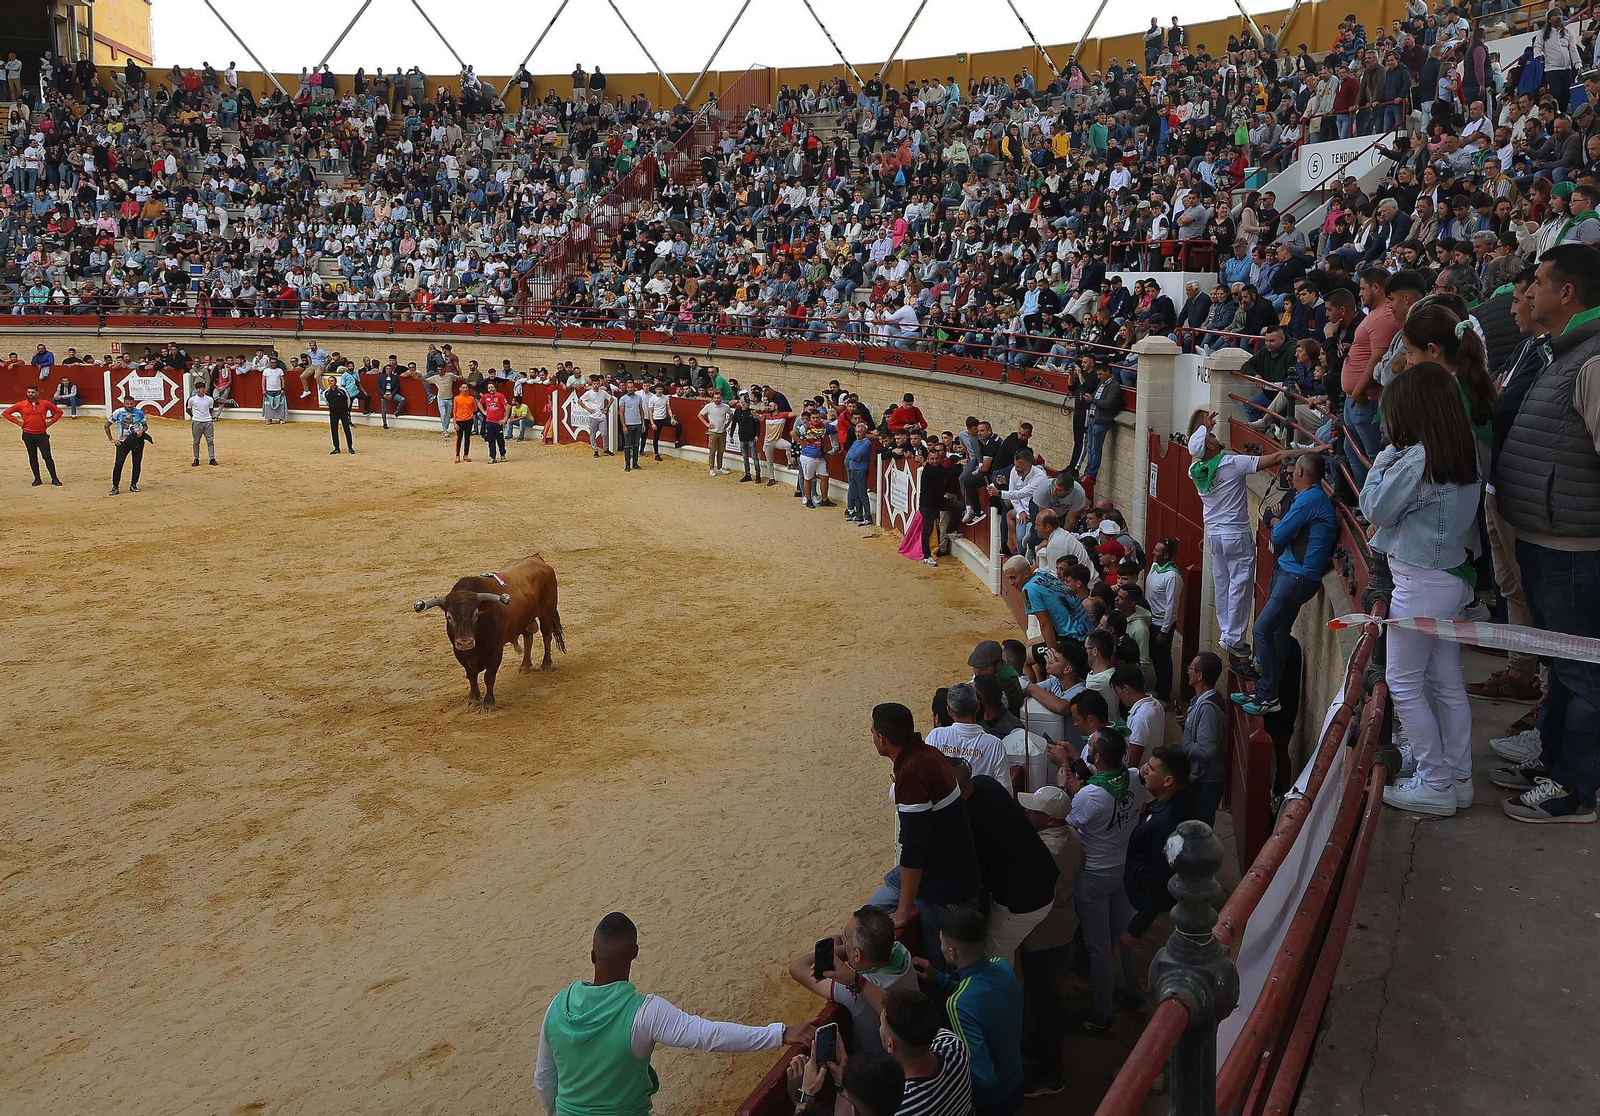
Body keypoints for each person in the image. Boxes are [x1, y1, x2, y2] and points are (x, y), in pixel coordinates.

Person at [1491, 245, 1600, 823]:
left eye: (1536, 282)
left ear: (1567, 293)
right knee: (1564, 663)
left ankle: (1577, 788)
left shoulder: (1592, 360)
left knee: (1581, 669)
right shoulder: (1567, 352)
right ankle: (1555, 762)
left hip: (1577, 549)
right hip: (1552, 539)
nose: (1527, 292)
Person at [534, 912, 814, 1115]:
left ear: (592, 956)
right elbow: (707, 1035)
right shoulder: (644, 1013)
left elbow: (544, 1078)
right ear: (635, 952)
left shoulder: (558, 1006)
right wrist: (780, 1033)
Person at [1358, 360, 1482, 818]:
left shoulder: (1416, 457)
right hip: (1448, 578)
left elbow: (1374, 505)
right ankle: (1457, 775)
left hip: (1420, 582)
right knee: (1445, 681)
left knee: (1403, 682)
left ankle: (1435, 782)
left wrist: (1389, 451)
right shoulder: (1461, 445)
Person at [1186, 412, 1314, 665]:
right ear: (1210, 446)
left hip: (1213, 533)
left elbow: (1195, 453)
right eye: (1212, 436)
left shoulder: (1195, 470)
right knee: (1241, 584)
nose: (1215, 436)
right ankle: (1233, 637)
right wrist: (1314, 450)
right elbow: (1276, 458)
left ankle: (1227, 633)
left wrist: (1204, 430)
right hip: (1235, 532)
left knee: (1223, 583)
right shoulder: (1232, 463)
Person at [866, 702, 982, 961]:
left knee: (940, 964)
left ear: (882, 740)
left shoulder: (912, 773)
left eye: (873, 732)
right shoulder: (928, 753)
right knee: (862, 922)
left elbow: (914, 848)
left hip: (942, 889)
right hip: (945, 873)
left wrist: (904, 910)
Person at [1232, 453, 1336, 716]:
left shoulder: (1309, 499)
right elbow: (1279, 529)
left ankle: (1268, 695)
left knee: (1262, 630)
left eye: (1293, 470)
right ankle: (1266, 691)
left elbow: (1277, 534)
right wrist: (1283, 525)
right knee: (1276, 632)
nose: (1289, 474)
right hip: (1296, 573)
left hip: (1297, 576)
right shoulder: (1309, 496)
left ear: (1301, 471)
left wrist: (1280, 523)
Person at [1064, 727, 1148, 1033]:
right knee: (1125, 936)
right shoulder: (1137, 778)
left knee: (1099, 947)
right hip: (1122, 868)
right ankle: (1135, 995)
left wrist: (1071, 788)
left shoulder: (1089, 795)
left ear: (1097, 757)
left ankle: (1102, 1014)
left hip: (1094, 875)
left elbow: (1070, 823)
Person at [945, 755, 1057, 964]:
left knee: (990, 960)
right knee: (1003, 951)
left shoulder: (966, 823)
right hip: (1040, 881)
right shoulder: (986, 784)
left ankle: (1005, 994)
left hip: (1022, 900)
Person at [916, 907, 1025, 1116]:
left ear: (951, 952)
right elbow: (978, 994)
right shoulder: (1002, 966)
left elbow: (984, 1078)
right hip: (1016, 1079)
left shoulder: (957, 1005)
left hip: (991, 1103)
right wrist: (938, 978)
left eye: (942, 942)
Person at [1014, 784, 1084, 1097]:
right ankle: (1043, 1049)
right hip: (1061, 925)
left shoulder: (1048, 851)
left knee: (1045, 1002)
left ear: (1051, 820)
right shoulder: (1071, 838)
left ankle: (1054, 1074)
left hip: (1045, 935)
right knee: (1044, 997)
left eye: (1033, 811)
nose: (1027, 812)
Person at [788, 905, 916, 1055]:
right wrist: (849, 947)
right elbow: (841, 940)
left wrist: (843, 949)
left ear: (857, 955)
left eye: (847, 939)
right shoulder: (901, 952)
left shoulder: (853, 990)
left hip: (874, 1065)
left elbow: (797, 967)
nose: (845, 941)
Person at [1120, 747, 1196, 972]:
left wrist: (1137, 927)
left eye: (1151, 769)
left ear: (1168, 780)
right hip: (1150, 900)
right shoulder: (1176, 799)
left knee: (1153, 972)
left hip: (1154, 911)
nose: (1144, 771)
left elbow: (1161, 878)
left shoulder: (1167, 822)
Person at [1003, 555, 1089, 664]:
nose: (1011, 583)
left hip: (1072, 640)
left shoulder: (1028, 589)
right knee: (1030, 643)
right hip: (1084, 633)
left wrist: (1052, 657)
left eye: (1013, 578)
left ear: (1026, 574)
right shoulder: (1043, 574)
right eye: (1008, 579)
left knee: (1023, 659)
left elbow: (1045, 624)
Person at [1179, 653, 1229, 825]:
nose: (1188, 671)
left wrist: (1184, 745)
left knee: (1199, 831)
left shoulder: (1207, 708)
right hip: (1203, 779)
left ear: (1199, 675)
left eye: (1191, 668)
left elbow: (1206, 750)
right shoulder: (1203, 702)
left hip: (1205, 782)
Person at [1143, 538, 1184, 703]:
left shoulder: (1172, 576)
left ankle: (1164, 694)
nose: (1153, 552)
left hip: (1161, 624)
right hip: (1150, 620)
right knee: (1154, 656)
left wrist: (1164, 631)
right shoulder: (1155, 566)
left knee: (1162, 660)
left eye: (1157, 550)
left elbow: (1171, 607)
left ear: (1166, 555)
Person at [916, 443, 966, 566]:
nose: (934, 461)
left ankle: (950, 530)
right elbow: (947, 474)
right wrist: (960, 467)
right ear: (927, 459)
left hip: (938, 501)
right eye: (932, 459)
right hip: (928, 505)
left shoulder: (938, 467)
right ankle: (926, 556)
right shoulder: (930, 470)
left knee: (960, 506)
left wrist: (958, 464)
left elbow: (947, 471)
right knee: (927, 530)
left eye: (936, 459)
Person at [4, 384, 63, 486]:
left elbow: (59, 412)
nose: (30, 394)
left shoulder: (44, 404)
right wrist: (18, 422)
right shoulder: (21, 404)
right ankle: (37, 479)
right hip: (28, 435)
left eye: (32, 392)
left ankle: (54, 478)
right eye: (29, 392)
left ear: (37, 393)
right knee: (32, 457)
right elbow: (6, 413)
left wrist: (50, 423)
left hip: (41, 435)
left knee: (47, 456)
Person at [105, 395, 149, 495]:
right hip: (122, 442)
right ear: (124, 403)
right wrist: (111, 439)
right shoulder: (118, 412)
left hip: (137, 441)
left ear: (134, 403)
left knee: (136, 464)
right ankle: (115, 486)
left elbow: (145, 426)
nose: (129, 405)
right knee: (118, 464)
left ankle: (133, 484)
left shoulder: (139, 413)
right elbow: (106, 425)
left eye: (131, 404)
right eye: (127, 404)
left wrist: (141, 431)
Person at [186, 381, 218, 468]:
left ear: (204, 389)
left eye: (200, 388)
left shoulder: (209, 399)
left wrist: (206, 416)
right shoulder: (192, 399)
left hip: (207, 421)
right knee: (196, 441)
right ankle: (196, 458)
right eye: (197, 389)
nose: (198, 390)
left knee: (210, 440)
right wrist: (195, 417)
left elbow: (211, 409)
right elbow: (188, 409)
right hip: (197, 421)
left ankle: (212, 458)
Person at [699, 393, 731, 477]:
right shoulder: (709, 406)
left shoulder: (725, 407)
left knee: (721, 451)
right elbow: (700, 415)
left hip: (722, 432)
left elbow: (731, 415)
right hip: (713, 432)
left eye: (718, 398)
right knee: (712, 451)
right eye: (715, 398)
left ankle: (719, 468)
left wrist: (727, 424)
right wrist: (706, 424)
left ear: (721, 398)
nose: (716, 399)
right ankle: (711, 468)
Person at [646, 385, 682, 460]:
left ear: (662, 390)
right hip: (656, 419)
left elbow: (668, 408)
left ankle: (677, 441)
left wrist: (672, 418)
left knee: (678, 425)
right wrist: (652, 423)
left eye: (660, 389)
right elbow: (650, 411)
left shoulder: (665, 398)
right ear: (655, 390)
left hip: (664, 418)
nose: (659, 390)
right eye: (658, 389)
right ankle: (656, 454)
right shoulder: (652, 398)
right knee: (656, 437)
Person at [481, 378, 509, 464]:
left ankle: (502, 454)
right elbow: (479, 403)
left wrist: (505, 418)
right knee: (491, 440)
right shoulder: (485, 396)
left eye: (492, 387)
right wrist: (483, 411)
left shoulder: (500, 396)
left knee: (500, 440)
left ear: (495, 388)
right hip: (489, 422)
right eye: (489, 388)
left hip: (498, 422)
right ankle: (493, 457)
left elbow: (508, 407)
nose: (491, 389)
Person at [325, 377, 356, 455]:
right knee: (334, 430)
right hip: (333, 413)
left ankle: (350, 447)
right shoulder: (327, 392)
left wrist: (346, 410)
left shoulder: (342, 390)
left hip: (343, 412)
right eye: (329, 381)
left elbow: (348, 399)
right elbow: (327, 402)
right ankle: (336, 448)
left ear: (335, 382)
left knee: (346, 429)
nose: (330, 382)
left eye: (332, 381)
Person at [450, 381, 477, 463]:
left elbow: (475, 409)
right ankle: (457, 455)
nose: (465, 389)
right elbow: (454, 411)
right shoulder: (456, 398)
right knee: (459, 438)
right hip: (459, 420)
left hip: (468, 420)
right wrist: (454, 422)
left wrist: (470, 414)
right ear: (460, 389)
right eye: (464, 388)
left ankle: (466, 455)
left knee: (467, 438)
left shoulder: (471, 398)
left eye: (466, 388)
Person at [375, 361, 405, 428]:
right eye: (387, 369)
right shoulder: (381, 376)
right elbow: (378, 386)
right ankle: (384, 423)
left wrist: (392, 394)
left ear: (392, 369)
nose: (389, 370)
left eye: (390, 369)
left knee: (402, 399)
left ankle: (397, 412)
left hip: (392, 394)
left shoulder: (395, 377)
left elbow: (397, 387)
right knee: (384, 409)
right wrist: (383, 394)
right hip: (383, 395)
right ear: (385, 370)